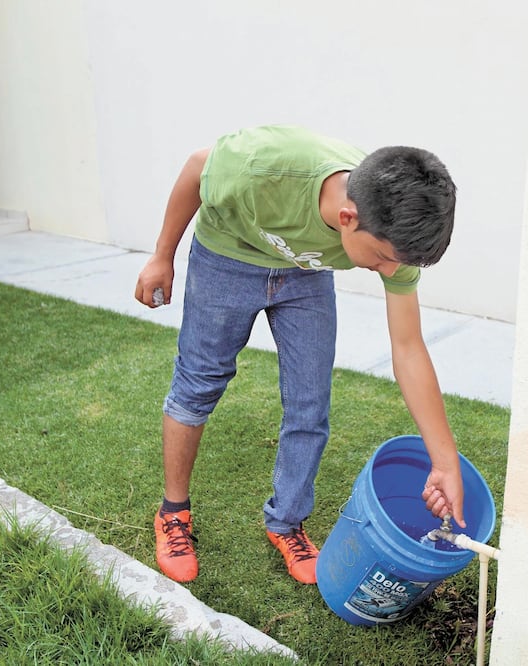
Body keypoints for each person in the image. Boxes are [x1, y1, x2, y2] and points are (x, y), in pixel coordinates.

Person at [135, 125, 466, 585]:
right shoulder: (266, 166)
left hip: (305, 274)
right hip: (228, 255)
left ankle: (286, 522)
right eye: (383, 259)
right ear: (347, 217)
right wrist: (161, 256)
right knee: (198, 383)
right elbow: (196, 167)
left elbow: (408, 347)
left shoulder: (393, 232)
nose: (392, 272)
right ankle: (173, 514)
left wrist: (444, 461)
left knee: (310, 403)